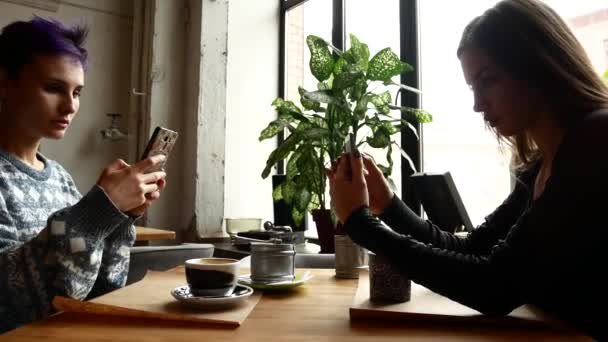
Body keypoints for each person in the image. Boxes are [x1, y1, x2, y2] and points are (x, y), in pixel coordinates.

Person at [328, 0, 608, 339]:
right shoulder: (541, 166)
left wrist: (360, 222)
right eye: (473, 87)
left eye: (487, 81)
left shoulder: (597, 139)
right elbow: (473, 250)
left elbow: (495, 287)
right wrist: (387, 206)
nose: (477, 104)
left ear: (537, 65)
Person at [0, 17, 167, 333]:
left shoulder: (60, 178)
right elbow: (11, 300)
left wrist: (117, 220)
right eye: (53, 88)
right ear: (4, 83)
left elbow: (95, 291)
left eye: (77, 92)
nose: (70, 105)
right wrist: (97, 212)